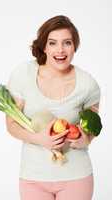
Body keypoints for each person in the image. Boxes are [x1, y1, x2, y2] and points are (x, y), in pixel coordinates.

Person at [6, 15, 101, 200]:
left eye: (67, 43)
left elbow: (93, 126)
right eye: (52, 43)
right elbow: (11, 124)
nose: (60, 50)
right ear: (44, 46)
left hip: (76, 177)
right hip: (33, 177)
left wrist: (85, 139)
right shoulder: (22, 75)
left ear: (75, 46)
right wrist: (39, 139)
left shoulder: (88, 84)